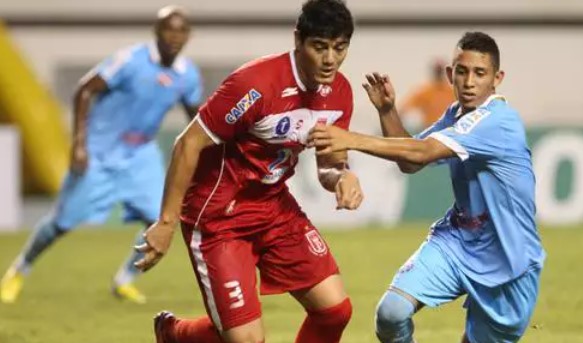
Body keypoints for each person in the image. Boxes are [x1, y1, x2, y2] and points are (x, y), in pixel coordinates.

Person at [136, 1, 362, 342]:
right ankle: (176, 333)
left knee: (335, 312)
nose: (330, 59)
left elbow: (329, 165)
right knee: (247, 340)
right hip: (218, 218)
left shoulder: (339, 93)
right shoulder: (254, 84)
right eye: (320, 47)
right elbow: (187, 144)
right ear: (298, 40)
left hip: (275, 209)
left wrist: (342, 176)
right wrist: (166, 222)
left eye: (339, 48)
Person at [308, 31, 546, 343]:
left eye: (480, 73)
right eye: (462, 72)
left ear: (497, 78)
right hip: (458, 241)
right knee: (391, 313)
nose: (469, 82)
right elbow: (411, 161)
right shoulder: (456, 115)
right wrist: (387, 111)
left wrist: (350, 139)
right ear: (451, 75)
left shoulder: (498, 121)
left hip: (508, 259)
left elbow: (422, 152)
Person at [0, 6, 203, 305]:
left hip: (140, 155)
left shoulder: (187, 75)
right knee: (62, 223)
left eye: (181, 31)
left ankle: (124, 280)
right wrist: (79, 144)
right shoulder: (130, 61)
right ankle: (19, 269)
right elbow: (84, 90)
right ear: (157, 32)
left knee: (159, 219)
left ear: (188, 36)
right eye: (169, 30)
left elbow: (196, 118)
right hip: (100, 151)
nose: (175, 36)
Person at [398, 58, 456, 132]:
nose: (438, 73)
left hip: (449, 129)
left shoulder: (452, 91)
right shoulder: (425, 91)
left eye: (440, 71)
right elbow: (404, 109)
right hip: (430, 129)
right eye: (437, 71)